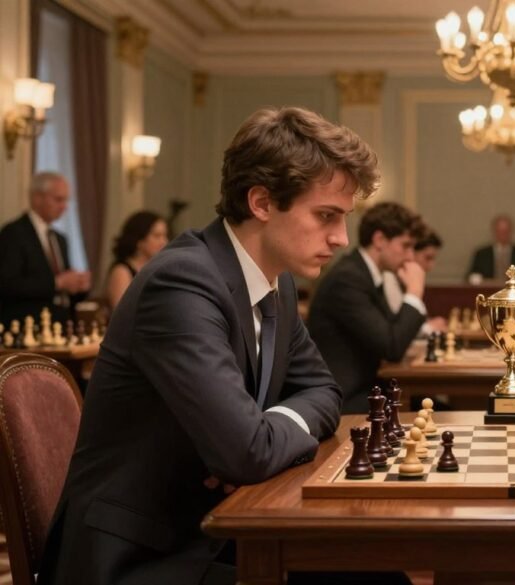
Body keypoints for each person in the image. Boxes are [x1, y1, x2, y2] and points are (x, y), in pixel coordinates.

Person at [38, 107, 408, 585]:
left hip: (214, 525)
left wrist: (263, 430)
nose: (340, 238)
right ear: (261, 202)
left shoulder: (278, 282)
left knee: (378, 573)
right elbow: (245, 454)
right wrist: (249, 443)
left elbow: (323, 389)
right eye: (325, 216)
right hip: (142, 556)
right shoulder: (181, 282)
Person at [308, 201, 427, 414]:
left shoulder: (365, 274)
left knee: (432, 408)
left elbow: (392, 332)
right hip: (343, 401)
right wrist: (415, 292)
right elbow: (393, 347)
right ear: (380, 240)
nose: (410, 256)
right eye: (406, 245)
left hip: (366, 390)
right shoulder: (349, 278)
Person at [0, 172, 91, 325]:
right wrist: (57, 283)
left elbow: (62, 293)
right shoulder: (14, 233)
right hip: (25, 326)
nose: (64, 207)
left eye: (66, 200)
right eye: (58, 199)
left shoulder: (60, 239)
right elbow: (8, 285)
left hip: (59, 324)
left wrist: (79, 286)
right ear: (37, 198)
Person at [106, 210, 169, 309]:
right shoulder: (122, 271)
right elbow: (122, 312)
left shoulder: (159, 268)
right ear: (139, 240)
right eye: (157, 236)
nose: (164, 242)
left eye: (165, 236)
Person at [466, 213, 515, 282]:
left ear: (511, 232)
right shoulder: (481, 254)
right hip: (488, 291)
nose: (503, 235)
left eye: (505, 231)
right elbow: (471, 278)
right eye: (500, 231)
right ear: (494, 231)